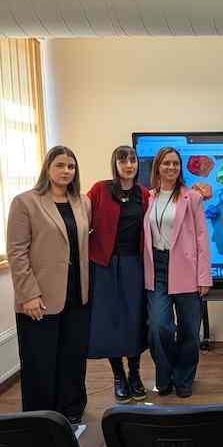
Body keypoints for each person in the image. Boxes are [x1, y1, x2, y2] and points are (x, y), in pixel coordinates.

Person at [6, 145, 90, 422]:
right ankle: (40, 419)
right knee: (39, 362)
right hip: (39, 298)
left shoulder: (82, 202)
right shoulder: (25, 202)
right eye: (60, 165)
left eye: (71, 166)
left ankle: (72, 412)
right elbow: (17, 252)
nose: (66, 171)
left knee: (73, 359)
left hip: (77, 295)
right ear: (48, 168)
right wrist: (28, 295)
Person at [144, 147, 212, 397]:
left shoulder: (191, 197)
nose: (171, 167)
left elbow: (202, 238)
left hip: (186, 268)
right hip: (157, 268)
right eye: (166, 163)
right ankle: (165, 375)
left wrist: (204, 276)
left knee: (190, 330)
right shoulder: (147, 197)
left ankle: (184, 379)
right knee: (158, 326)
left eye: (175, 163)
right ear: (157, 167)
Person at [87, 146, 150, 402]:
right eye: (123, 160)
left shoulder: (144, 194)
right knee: (111, 321)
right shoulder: (99, 190)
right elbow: (81, 220)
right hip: (105, 265)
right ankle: (118, 376)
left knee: (134, 320)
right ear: (115, 164)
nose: (129, 165)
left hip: (134, 265)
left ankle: (135, 374)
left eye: (132, 160)